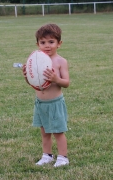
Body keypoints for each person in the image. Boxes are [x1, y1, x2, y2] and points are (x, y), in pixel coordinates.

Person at [22, 23, 70, 167]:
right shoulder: (36, 62)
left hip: (54, 103)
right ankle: (47, 155)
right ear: (38, 44)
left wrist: (56, 79)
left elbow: (66, 83)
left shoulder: (61, 61)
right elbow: (33, 82)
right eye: (43, 42)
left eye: (51, 42)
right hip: (40, 103)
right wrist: (26, 76)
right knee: (44, 132)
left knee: (58, 132)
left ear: (59, 43)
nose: (47, 45)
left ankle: (63, 158)